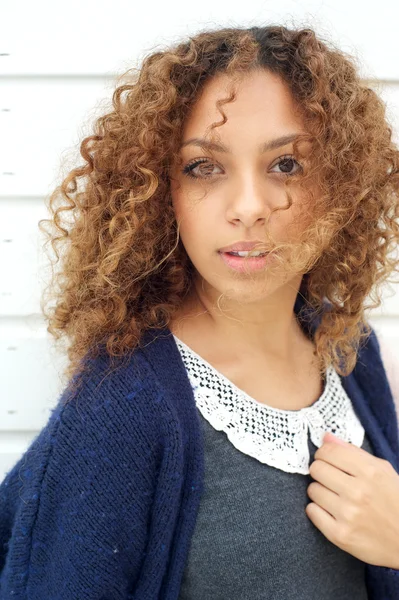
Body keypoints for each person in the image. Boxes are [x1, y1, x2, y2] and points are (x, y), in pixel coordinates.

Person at [1, 24, 399, 600]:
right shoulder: (121, 405)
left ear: (340, 187)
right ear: (163, 194)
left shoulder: (348, 346)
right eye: (204, 167)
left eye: (286, 164)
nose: (247, 207)